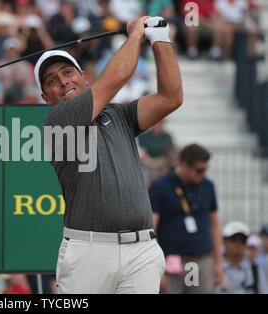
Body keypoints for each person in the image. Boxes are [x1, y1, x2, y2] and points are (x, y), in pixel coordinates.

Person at [37, 16, 182, 293]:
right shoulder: (57, 120)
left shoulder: (119, 114)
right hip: (88, 251)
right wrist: (137, 35)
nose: (63, 82)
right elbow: (117, 75)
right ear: (46, 97)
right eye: (52, 80)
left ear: (84, 77)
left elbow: (171, 97)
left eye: (68, 73)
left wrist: (160, 38)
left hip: (141, 250)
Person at [149, 144, 224, 293]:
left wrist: (218, 263)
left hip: (202, 261)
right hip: (171, 264)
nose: (203, 174)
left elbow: (214, 224)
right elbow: (151, 228)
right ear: (184, 165)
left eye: (205, 169)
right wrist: (156, 268)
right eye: (199, 170)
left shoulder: (207, 186)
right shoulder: (159, 186)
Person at [215, 221, 268, 294]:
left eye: (243, 240)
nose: (238, 243)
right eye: (233, 239)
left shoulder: (255, 269)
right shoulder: (215, 269)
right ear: (224, 241)